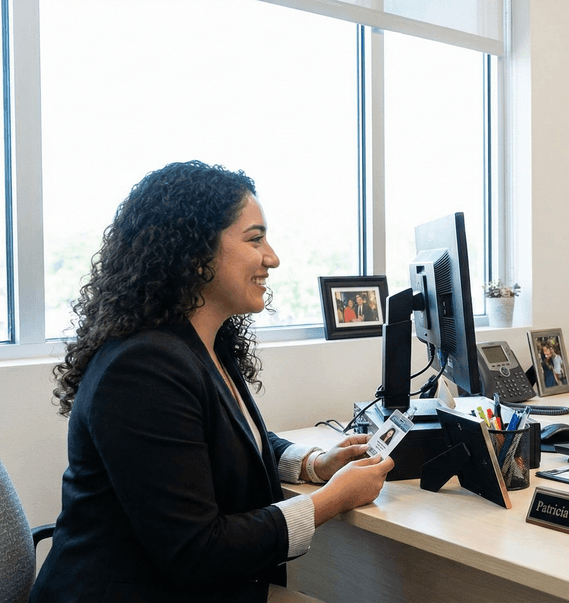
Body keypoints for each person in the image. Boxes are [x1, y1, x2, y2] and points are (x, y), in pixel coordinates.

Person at [31, 161, 395, 602]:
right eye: (255, 239)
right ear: (195, 251)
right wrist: (332, 500)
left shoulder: (200, 343)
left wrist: (314, 465)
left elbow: (225, 441)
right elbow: (195, 551)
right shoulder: (143, 369)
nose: (272, 258)